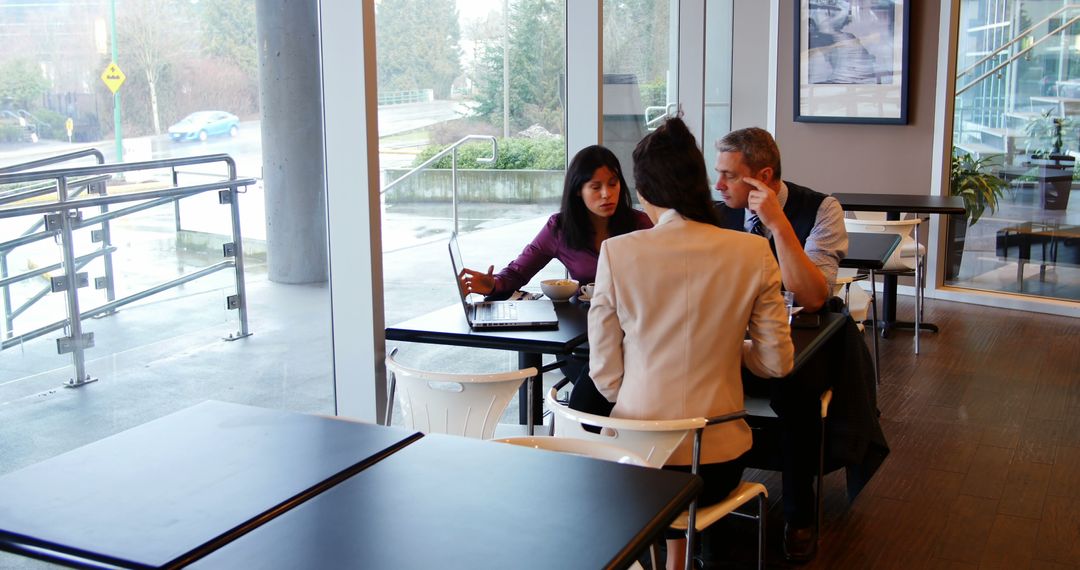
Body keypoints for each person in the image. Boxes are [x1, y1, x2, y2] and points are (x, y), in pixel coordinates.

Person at [589, 117, 794, 570]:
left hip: (636, 456)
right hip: (715, 460)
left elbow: (603, 371)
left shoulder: (618, 253)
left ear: (644, 192)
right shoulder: (752, 252)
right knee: (688, 507)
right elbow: (776, 363)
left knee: (655, 501)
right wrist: (725, 348)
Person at [712, 127, 848, 561]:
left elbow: (811, 296)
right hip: (735, 340)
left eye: (729, 176)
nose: (719, 186)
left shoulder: (821, 209)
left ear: (762, 177)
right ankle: (704, 496)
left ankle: (798, 513)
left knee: (794, 384)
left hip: (803, 341)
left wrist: (777, 223)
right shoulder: (717, 214)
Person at [459, 145, 652, 413]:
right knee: (596, 376)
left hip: (635, 332)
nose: (607, 194)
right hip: (581, 339)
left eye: (613, 183)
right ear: (578, 190)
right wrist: (492, 285)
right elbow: (518, 272)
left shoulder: (641, 225)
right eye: (595, 187)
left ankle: (584, 434)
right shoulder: (559, 228)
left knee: (605, 383)